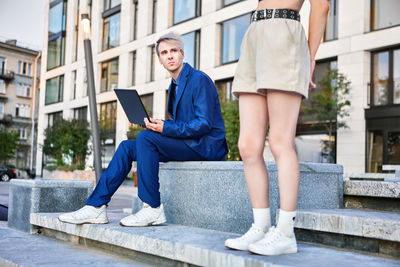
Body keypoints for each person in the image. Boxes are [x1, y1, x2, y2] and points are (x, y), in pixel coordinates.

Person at [59, 32, 228, 227]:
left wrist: (165, 127)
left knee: (146, 138)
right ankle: (96, 207)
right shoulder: (174, 85)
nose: (170, 56)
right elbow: (182, 123)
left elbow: (204, 123)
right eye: (164, 53)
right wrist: (159, 125)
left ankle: (153, 208)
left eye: (174, 51)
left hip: (205, 147)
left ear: (182, 53)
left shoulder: (198, 79)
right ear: (160, 60)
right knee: (126, 147)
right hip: (189, 143)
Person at [224, 0, 329, 256]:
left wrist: (310, 56)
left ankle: (284, 232)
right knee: (248, 147)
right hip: (254, 36)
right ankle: (260, 226)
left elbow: (322, 5)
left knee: (280, 141)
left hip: (284, 32)